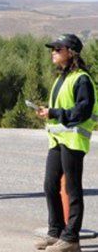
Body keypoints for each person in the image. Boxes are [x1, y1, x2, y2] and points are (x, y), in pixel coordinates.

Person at [33, 34, 97, 252]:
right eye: (53, 49)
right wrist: (48, 112)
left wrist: (54, 113)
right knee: (50, 185)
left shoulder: (82, 79)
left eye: (58, 49)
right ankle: (56, 232)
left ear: (71, 52)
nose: (53, 52)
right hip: (57, 140)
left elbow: (82, 111)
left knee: (72, 188)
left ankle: (71, 239)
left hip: (73, 140)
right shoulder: (62, 77)